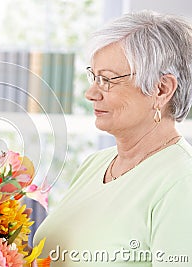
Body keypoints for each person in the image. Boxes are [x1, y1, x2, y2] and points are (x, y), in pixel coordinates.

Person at [33, 10, 192, 266]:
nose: (91, 93)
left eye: (107, 80)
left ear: (161, 89)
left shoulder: (183, 182)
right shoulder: (95, 164)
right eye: (93, 77)